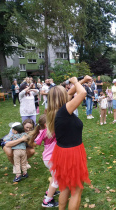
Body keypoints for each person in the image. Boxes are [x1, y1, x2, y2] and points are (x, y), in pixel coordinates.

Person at [47, 76, 92, 209]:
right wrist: (76, 81)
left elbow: (72, 92)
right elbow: (82, 93)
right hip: (72, 153)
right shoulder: (64, 111)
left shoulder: (57, 110)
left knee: (65, 187)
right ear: (61, 97)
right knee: (77, 190)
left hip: (62, 151)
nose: (68, 92)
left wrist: (82, 81)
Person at [29, 114, 59, 207]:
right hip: (51, 159)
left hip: (47, 158)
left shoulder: (42, 131)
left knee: (54, 177)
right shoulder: (50, 132)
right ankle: (47, 201)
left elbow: (37, 142)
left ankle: (50, 192)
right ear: (46, 124)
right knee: (57, 180)